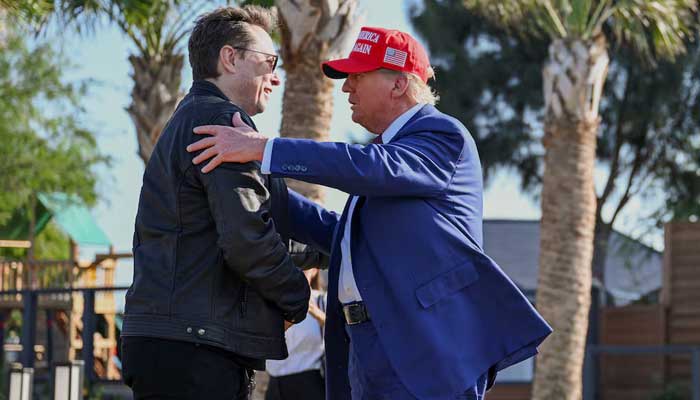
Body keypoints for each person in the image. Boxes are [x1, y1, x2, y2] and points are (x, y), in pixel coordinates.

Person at [187, 26, 553, 400]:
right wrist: (258, 180)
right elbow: (340, 234)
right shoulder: (387, 157)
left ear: (398, 84)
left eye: (358, 76)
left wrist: (265, 149)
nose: (347, 87)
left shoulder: (442, 135)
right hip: (368, 352)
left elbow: (373, 167)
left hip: (422, 349)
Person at [121, 6, 323, 400]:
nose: (276, 77)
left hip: (170, 342)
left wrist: (337, 249)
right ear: (229, 58)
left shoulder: (189, 117)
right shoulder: (223, 123)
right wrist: (298, 298)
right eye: (269, 62)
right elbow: (247, 239)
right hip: (195, 351)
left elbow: (242, 229)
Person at [265, 268, 327, 400]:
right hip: (275, 386)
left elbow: (340, 333)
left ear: (315, 271)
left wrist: (315, 312)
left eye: (303, 268)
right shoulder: (271, 301)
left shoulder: (322, 300)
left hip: (309, 383)